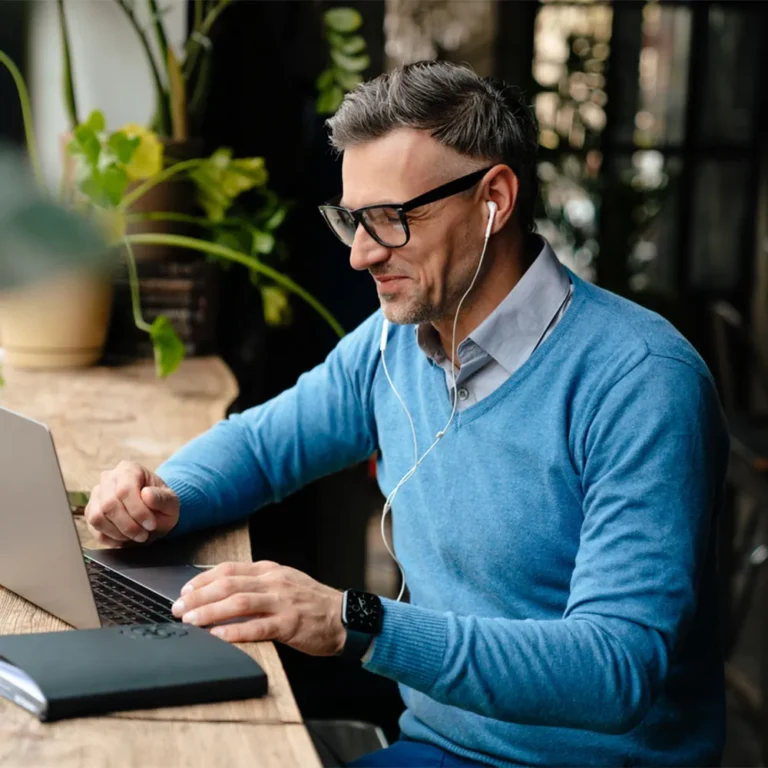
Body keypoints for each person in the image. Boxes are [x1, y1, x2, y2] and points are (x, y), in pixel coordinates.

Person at [85, 61, 729, 767]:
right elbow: (266, 446)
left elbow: (615, 669)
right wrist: (163, 496)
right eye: (352, 220)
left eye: (391, 219)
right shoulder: (394, 342)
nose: (362, 254)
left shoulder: (642, 381)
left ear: (495, 199)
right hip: (436, 750)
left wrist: (351, 620)